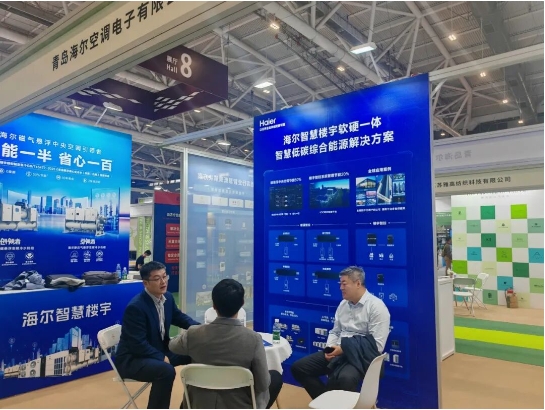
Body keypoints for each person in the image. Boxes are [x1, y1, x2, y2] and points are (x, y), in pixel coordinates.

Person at [170, 279, 283, 409]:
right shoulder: (253, 339)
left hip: (198, 404)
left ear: (213, 305)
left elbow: (172, 346)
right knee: (275, 377)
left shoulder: (193, 334)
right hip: (240, 405)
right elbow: (262, 384)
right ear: (242, 304)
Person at [291, 266, 390, 400]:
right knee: (299, 368)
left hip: (360, 357)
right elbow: (336, 331)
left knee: (344, 379)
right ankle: (326, 402)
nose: (340, 288)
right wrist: (330, 348)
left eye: (344, 284)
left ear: (358, 283)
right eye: (340, 284)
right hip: (337, 351)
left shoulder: (376, 307)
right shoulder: (343, 305)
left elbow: (377, 345)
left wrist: (343, 349)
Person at [115, 261, 199, 409]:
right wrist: (160, 357)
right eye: (157, 278)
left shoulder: (167, 298)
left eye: (164, 276)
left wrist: (201, 329)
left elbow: (179, 318)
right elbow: (137, 344)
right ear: (145, 283)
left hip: (158, 350)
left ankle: (190, 404)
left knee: (197, 354)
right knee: (166, 371)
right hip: (133, 359)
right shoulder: (136, 307)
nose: (163, 282)